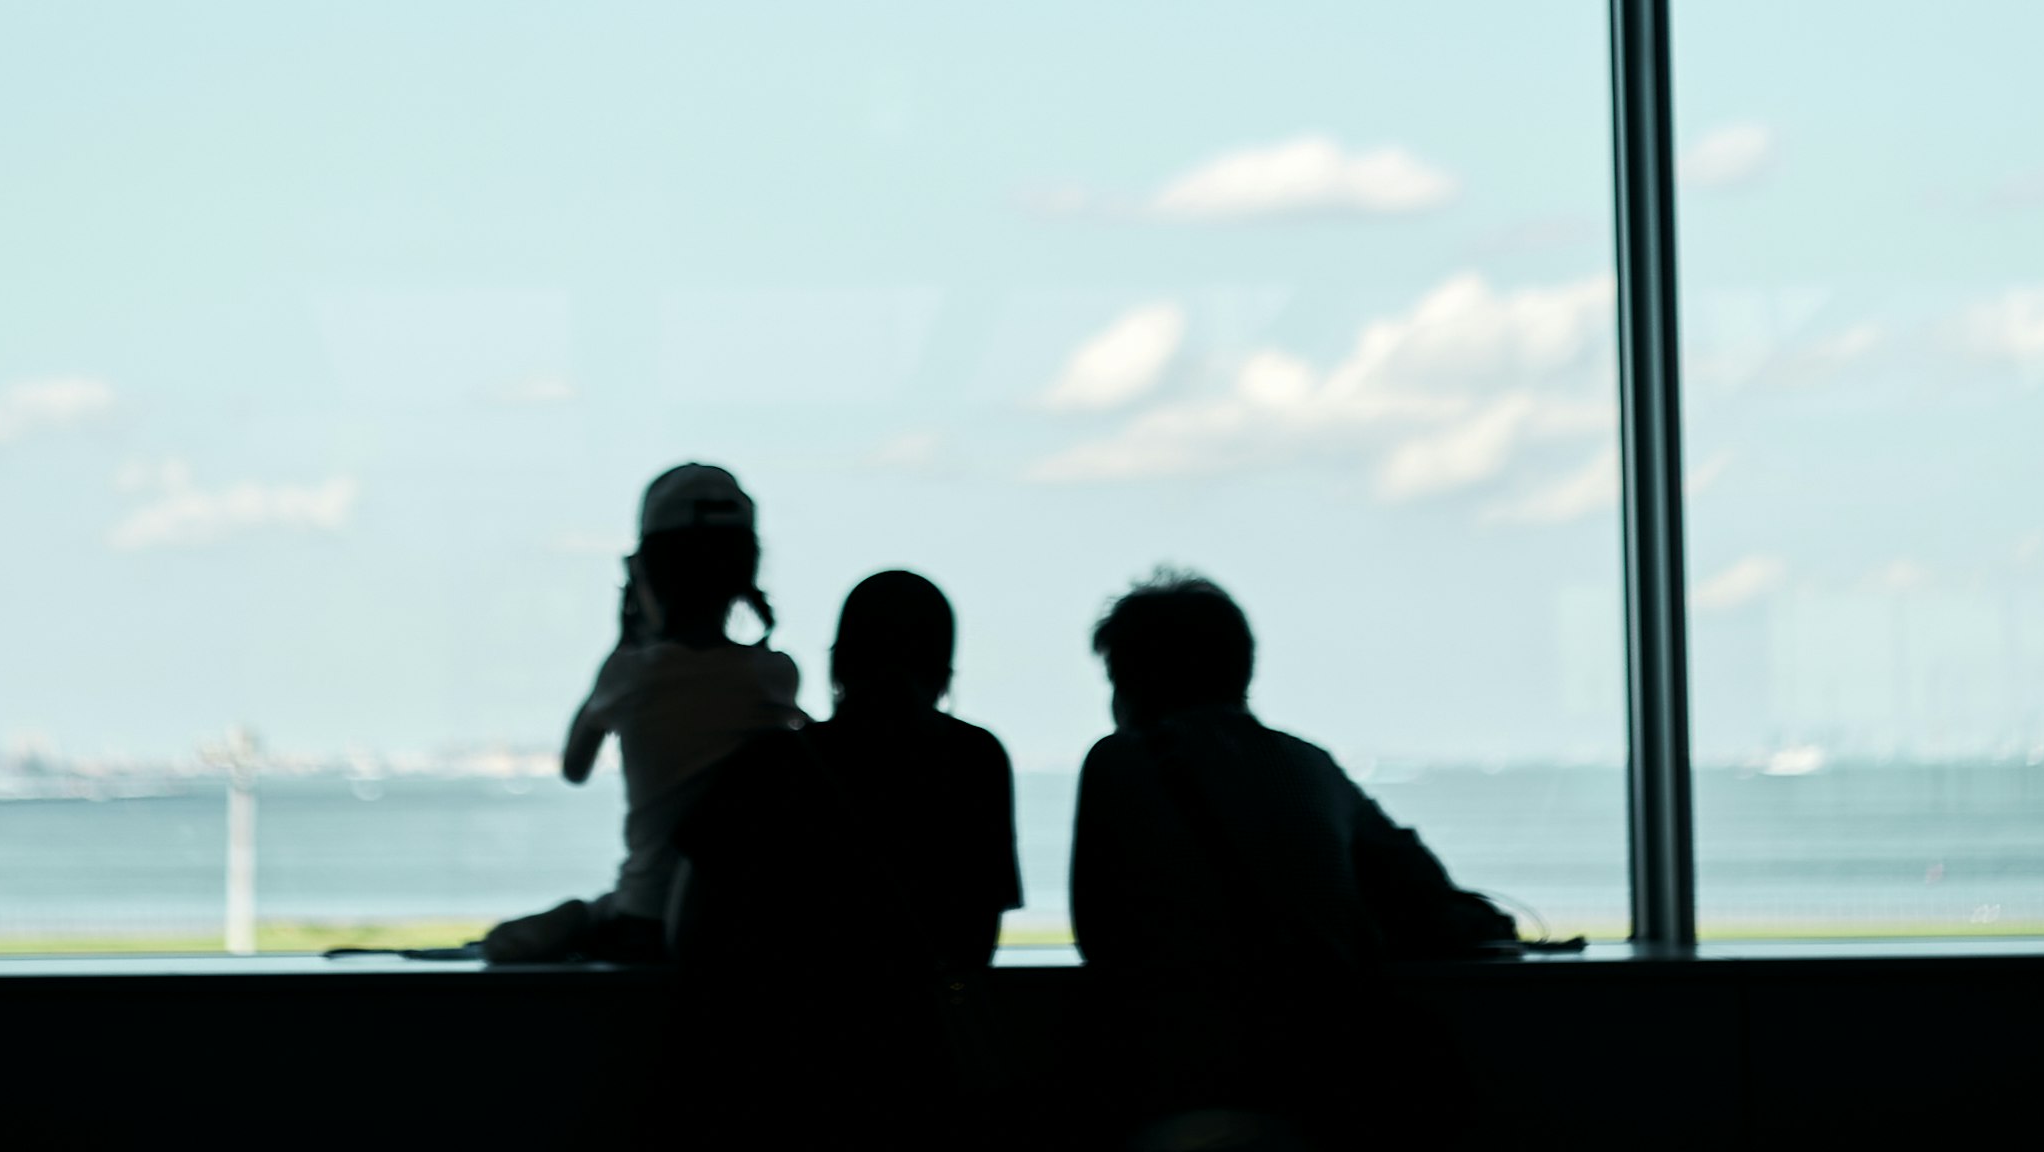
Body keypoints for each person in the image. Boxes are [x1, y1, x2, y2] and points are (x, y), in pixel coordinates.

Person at [1068, 570, 1514, 1145]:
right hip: (1321, 1076)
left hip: (1177, 1077)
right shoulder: (1308, 765)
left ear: (1127, 681)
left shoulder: (1116, 763)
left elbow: (1099, 935)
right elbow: (1420, 885)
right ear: (1241, 669)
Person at [667, 569, 1021, 1147]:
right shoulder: (977, 761)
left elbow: (688, 930)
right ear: (943, 667)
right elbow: (975, 939)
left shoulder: (772, 765)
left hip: (779, 1076)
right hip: (923, 1073)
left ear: (839, 661)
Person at [478, 463, 802, 965]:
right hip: (738, 919)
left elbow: (575, 766)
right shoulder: (776, 677)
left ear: (646, 572)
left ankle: (581, 919)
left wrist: (626, 641)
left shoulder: (630, 676)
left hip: (645, 918)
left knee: (579, 921)